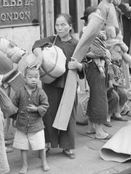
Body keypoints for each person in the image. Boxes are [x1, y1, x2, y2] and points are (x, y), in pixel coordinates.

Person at [29, 13, 84, 159]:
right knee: (48, 114)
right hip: (51, 84)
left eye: (63, 25)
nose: (59, 28)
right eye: (57, 25)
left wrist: (78, 65)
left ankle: (67, 147)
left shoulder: (76, 44)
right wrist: (39, 55)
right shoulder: (51, 40)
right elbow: (35, 45)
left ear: (70, 27)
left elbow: (86, 64)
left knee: (68, 115)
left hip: (69, 84)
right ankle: (47, 143)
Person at [81, 6, 112, 140]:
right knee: (100, 97)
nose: (99, 18)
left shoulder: (96, 32)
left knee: (95, 96)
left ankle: (90, 126)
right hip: (94, 67)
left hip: (99, 66)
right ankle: (99, 130)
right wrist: (103, 53)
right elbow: (85, 51)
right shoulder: (87, 32)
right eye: (96, 16)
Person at [12, 66, 50, 174]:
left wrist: (37, 109)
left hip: (36, 125)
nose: (33, 79)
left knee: (41, 145)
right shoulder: (20, 91)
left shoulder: (40, 92)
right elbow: (14, 105)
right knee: (23, 146)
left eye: (36, 77)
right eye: (30, 77)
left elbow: (46, 105)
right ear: (24, 78)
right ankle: (24, 165)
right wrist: (14, 118)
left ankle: (44, 162)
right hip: (22, 124)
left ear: (39, 78)